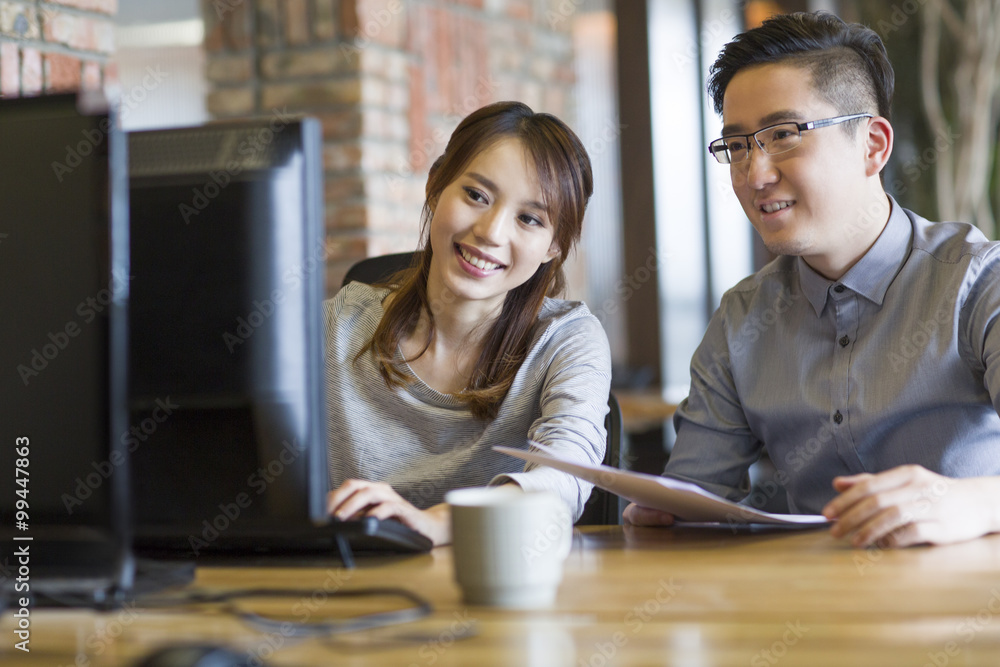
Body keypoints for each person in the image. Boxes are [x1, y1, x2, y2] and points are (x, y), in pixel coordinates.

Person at [625, 11, 1000, 548]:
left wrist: (973, 502)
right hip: (805, 612)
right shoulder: (743, 319)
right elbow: (694, 494)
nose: (754, 174)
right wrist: (666, 512)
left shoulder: (978, 281)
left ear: (873, 145)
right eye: (737, 146)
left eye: (784, 135)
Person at [324, 101, 611, 546]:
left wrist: (438, 523)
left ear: (554, 245)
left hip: (500, 600)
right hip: (350, 598)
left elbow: (564, 478)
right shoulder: (336, 325)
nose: (492, 232)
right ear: (436, 186)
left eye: (529, 219)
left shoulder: (566, 340)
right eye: (476, 195)